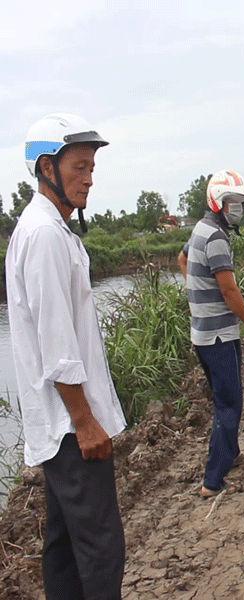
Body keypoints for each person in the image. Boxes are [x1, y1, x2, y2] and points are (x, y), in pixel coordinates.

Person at [7, 113, 126, 599]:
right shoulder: (45, 236)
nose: (89, 178)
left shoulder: (50, 229)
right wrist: (85, 420)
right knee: (101, 548)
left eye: (93, 167)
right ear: (46, 168)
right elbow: (57, 344)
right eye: (79, 166)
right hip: (71, 429)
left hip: (61, 428)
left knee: (62, 547)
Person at [178, 170, 244, 498]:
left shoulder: (201, 228)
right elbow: (228, 290)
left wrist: (197, 293)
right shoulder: (215, 237)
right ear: (218, 202)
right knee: (229, 404)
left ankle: (233, 453)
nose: (238, 208)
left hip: (204, 332)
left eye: (240, 202)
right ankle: (212, 481)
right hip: (218, 337)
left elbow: (182, 259)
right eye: (234, 202)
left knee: (224, 398)